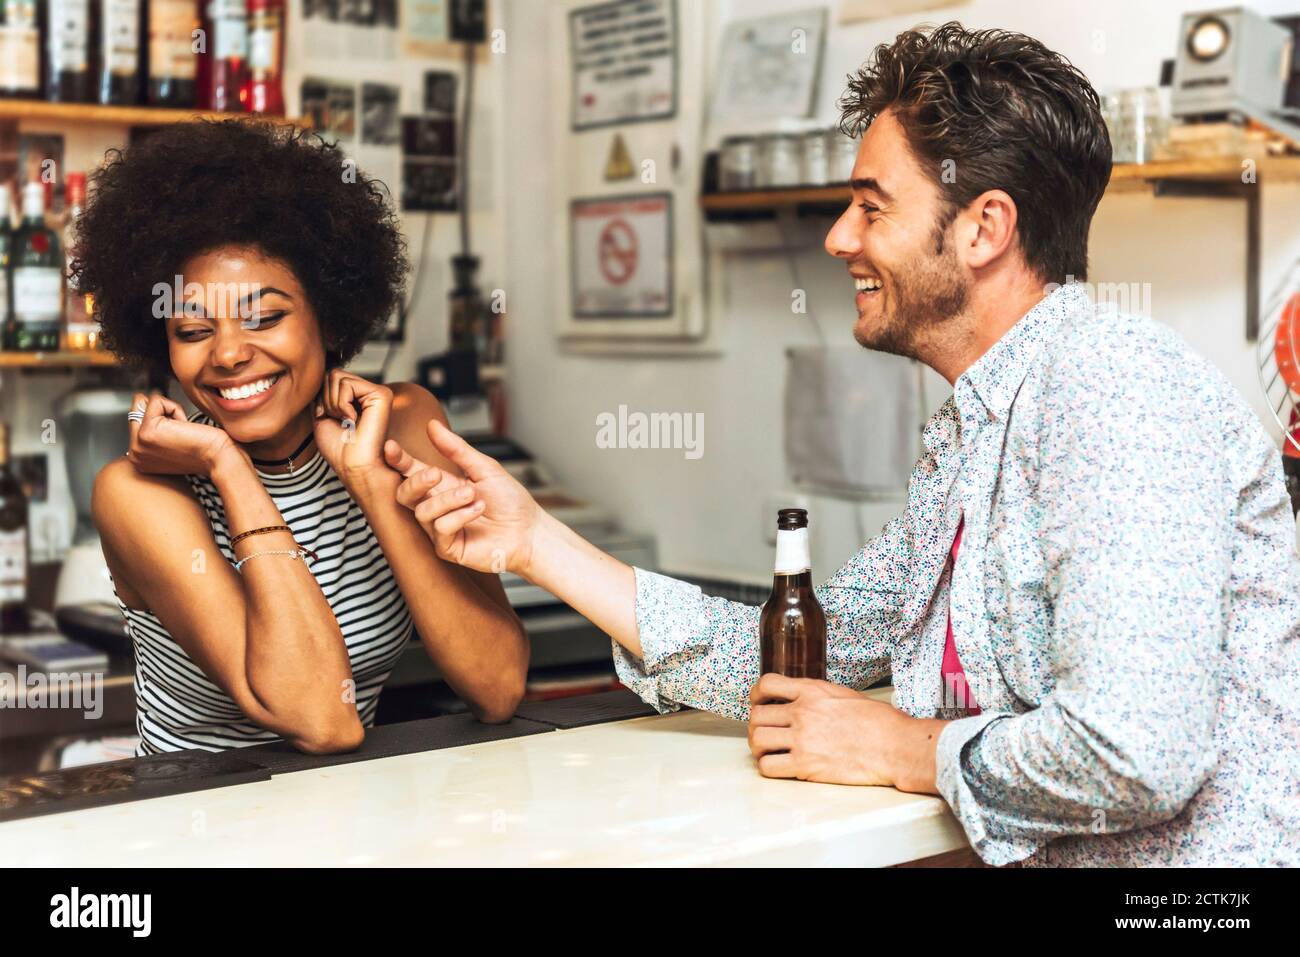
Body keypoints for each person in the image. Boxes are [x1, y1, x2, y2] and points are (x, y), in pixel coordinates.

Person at [381, 23, 1300, 867]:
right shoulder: (977, 433)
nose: (838, 238)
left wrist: (903, 746)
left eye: (871, 207)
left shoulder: (1113, 389)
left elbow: (1137, 751)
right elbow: (799, 654)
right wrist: (534, 540)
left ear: (984, 228)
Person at [81, 120, 528, 756]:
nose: (228, 354)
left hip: (354, 811)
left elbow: (498, 686)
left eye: (264, 318)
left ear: (330, 316)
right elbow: (321, 719)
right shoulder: (139, 492)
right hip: (198, 811)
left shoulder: (402, 425)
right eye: (193, 331)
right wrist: (227, 467)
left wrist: (371, 481)